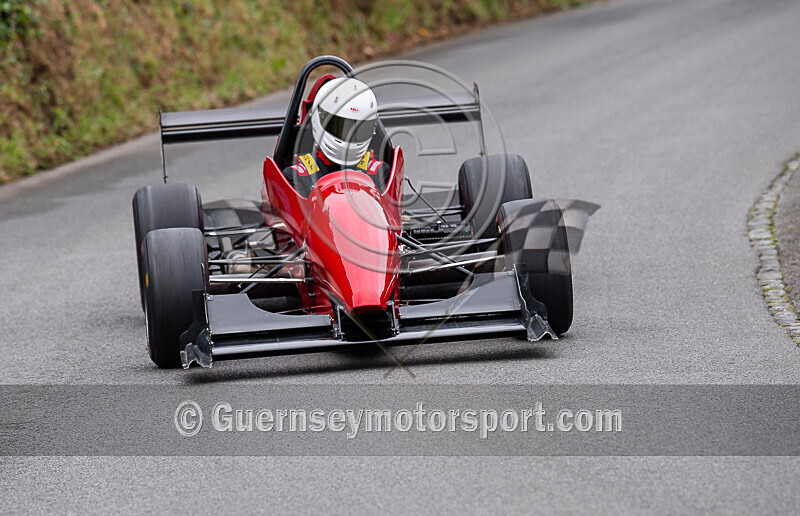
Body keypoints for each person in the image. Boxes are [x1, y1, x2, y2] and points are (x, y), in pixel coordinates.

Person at [283, 77, 390, 195]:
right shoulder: (296, 176)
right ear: (319, 119)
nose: (349, 137)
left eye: (359, 130)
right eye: (341, 128)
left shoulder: (378, 172)